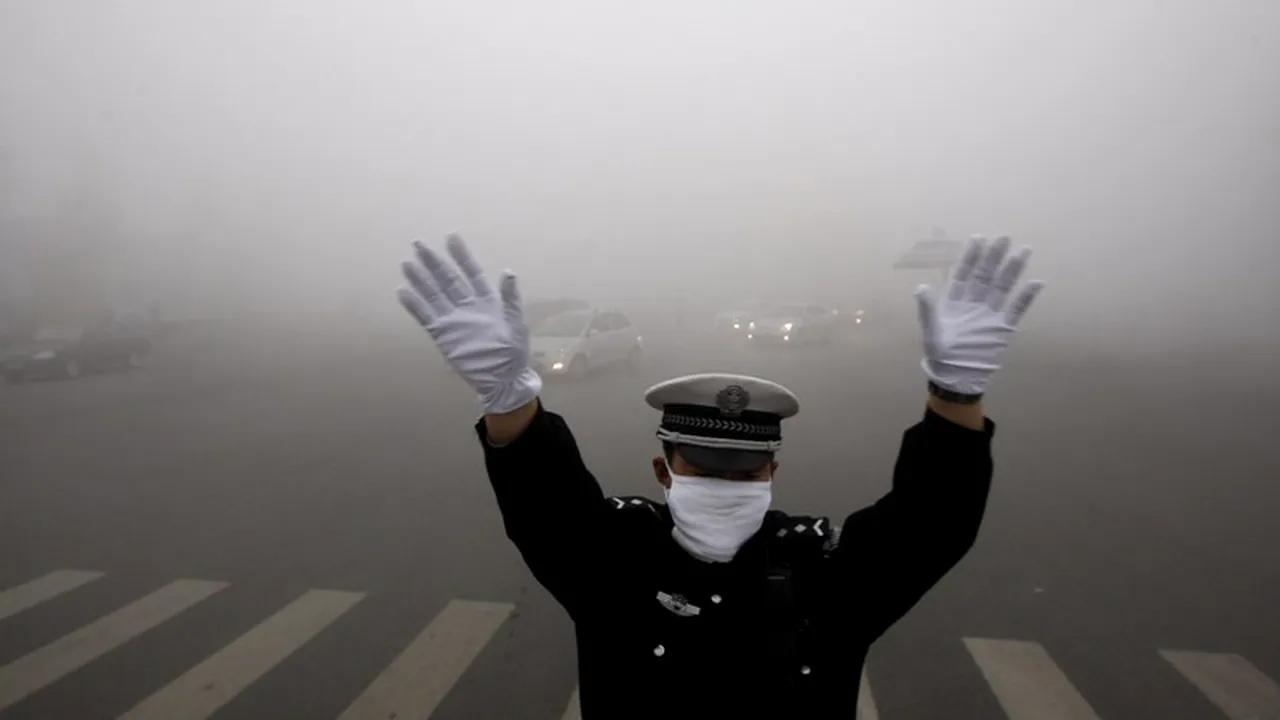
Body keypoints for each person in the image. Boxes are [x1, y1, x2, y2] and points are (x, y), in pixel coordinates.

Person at [396, 233, 1044, 718]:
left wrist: (956, 395)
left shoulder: (820, 573)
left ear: (771, 472)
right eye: (705, 467)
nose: (725, 484)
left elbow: (932, 523)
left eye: (743, 470)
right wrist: (508, 399)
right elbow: (546, 504)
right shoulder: (616, 562)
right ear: (663, 471)